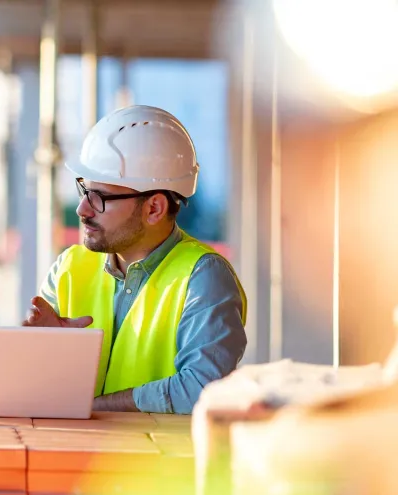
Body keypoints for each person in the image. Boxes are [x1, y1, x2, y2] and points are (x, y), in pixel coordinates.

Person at [23, 105, 247, 414]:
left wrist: (97, 406)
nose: (83, 210)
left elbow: (203, 390)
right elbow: (31, 388)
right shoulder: (69, 268)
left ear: (154, 208)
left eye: (100, 197)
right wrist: (39, 355)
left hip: (158, 461)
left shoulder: (203, 278)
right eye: (84, 190)